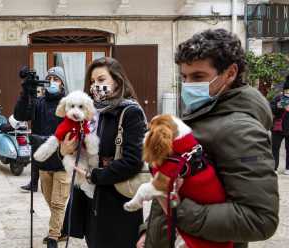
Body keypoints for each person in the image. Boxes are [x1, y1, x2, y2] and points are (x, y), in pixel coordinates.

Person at [139, 29, 279, 248]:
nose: (188, 85)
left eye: (198, 77)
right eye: (184, 77)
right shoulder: (202, 114)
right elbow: (172, 185)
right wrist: (149, 231)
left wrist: (178, 211)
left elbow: (259, 219)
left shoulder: (241, 130)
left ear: (230, 73)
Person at [60, 57, 146, 248]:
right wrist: (64, 150)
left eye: (101, 80)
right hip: (91, 202)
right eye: (92, 82)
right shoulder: (90, 113)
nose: (95, 86)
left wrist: (93, 175)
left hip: (117, 204)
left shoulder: (130, 112)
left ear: (117, 80)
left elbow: (133, 161)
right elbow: (76, 150)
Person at [14, 66, 69, 248]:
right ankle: (61, 229)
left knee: (58, 203)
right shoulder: (38, 103)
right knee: (50, 201)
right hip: (44, 162)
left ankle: (53, 237)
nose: (52, 82)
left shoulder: (68, 105)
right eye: (50, 78)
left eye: (57, 79)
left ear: (62, 83)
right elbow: (20, 114)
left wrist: (43, 140)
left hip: (63, 162)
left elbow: (71, 134)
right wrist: (26, 91)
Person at [271, 77, 289, 175]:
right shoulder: (278, 98)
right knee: (275, 148)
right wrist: (278, 107)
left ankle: (288, 168)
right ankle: (274, 168)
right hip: (278, 127)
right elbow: (271, 109)